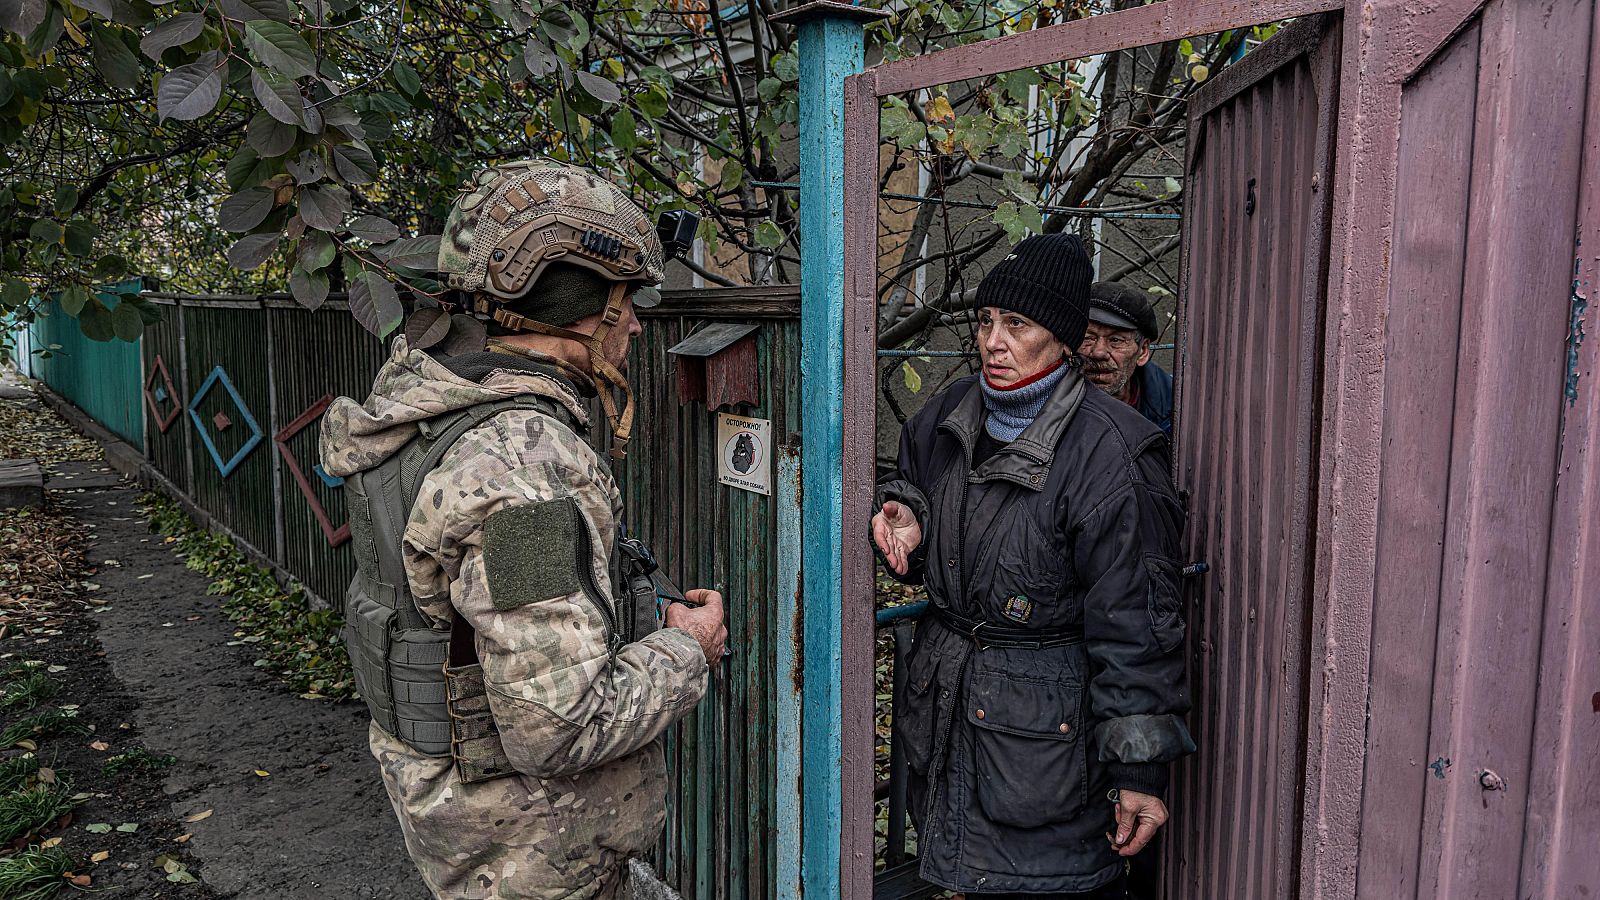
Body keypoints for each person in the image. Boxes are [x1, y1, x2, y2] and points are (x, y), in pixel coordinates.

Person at [319, 159, 727, 899]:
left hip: (467, 832)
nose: (634, 322)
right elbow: (558, 724)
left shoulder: (427, 404)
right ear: (578, 305)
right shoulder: (520, 465)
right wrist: (688, 649)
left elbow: (480, 630)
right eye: (624, 300)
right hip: (534, 852)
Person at [872, 234, 1193, 898]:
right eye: (987, 321)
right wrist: (907, 514)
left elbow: (1139, 624)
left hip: (1049, 748)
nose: (993, 340)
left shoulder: (1113, 456)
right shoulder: (948, 414)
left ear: (1065, 338)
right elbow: (912, 487)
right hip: (953, 722)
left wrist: (1139, 772)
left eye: (1016, 324)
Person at [1080, 281, 1173, 435]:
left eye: (1115, 340)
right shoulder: (1047, 399)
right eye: (1088, 338)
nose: (1098, 353)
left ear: (1142, 352)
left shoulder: (1174, 407)